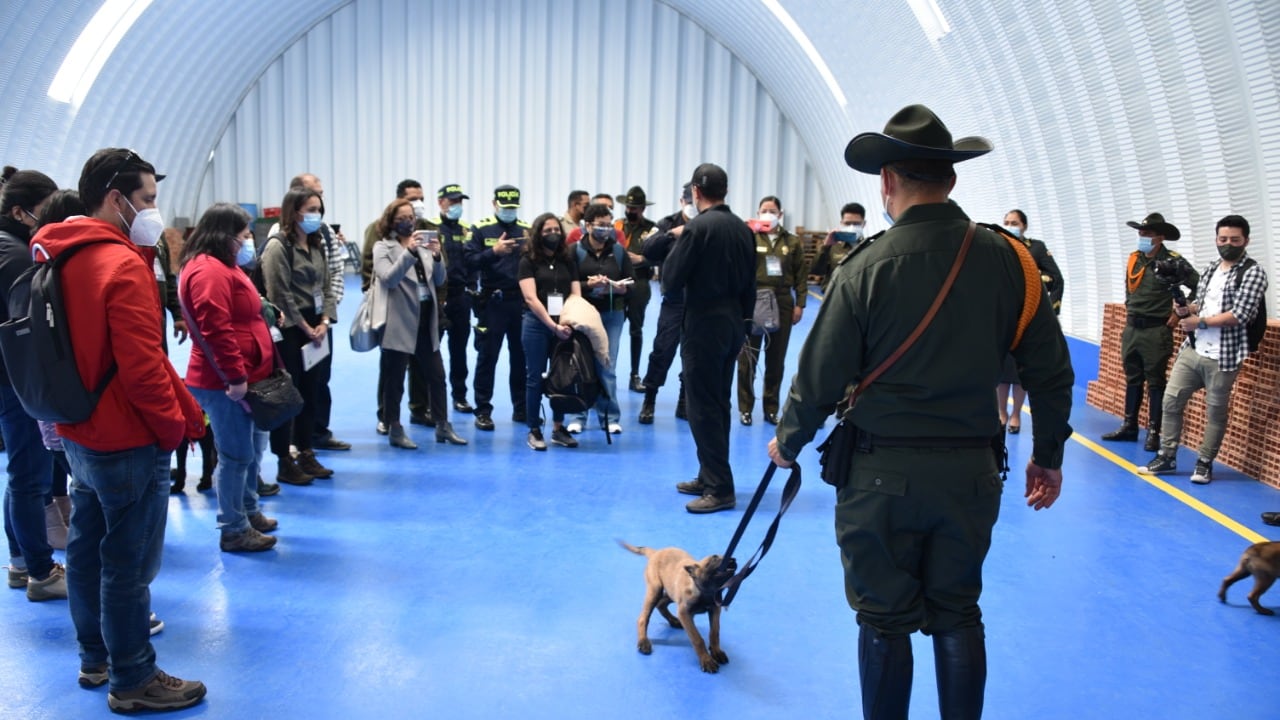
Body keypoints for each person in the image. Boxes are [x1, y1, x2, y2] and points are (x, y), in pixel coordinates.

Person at [767, 105, 1074, 720]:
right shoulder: (1013, 262)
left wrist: (790, 440)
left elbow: (820, 374)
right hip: (972, 474)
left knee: (884, 618)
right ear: (952, 180)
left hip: (881, 477)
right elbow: (1051, 372)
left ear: (886, 182)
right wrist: (1048, 458)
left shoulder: (865, 267)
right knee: (958, 611)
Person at [34, 148, 207, 712]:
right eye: (148, 199)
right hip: (127, 438)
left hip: (78, 431)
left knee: (87, 550)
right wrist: (171, 430)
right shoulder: (123, 264)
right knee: (128, 566)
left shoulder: (57, 254)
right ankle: (133, 678)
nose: (154, 211)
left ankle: (95, 657)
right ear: (117, 199)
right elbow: (144, 366)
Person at [178, 203, 278, 553]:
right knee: (235, 455)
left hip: (240, 377)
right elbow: (216, 330)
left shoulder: (222, 266)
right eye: (244, 235)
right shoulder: (209, 272)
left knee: (248, 449)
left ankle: (248, 511)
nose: (247, 241)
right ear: (225, 235)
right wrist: (235, 377)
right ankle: (233, 528)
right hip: (222, 382)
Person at [1139, 215, 1267, 484]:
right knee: (1171, 401)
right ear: (1216, 239)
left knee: (1215, 412)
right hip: (1194, 349)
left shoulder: (1253, 272)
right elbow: (1202, 301)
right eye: (1223, 239)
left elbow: (1241, 314)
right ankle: (1167, 455)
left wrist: (1201, 321)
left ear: (1246, 241)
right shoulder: (1211, 268)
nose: (1227, 244)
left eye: (1234, 240)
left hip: (1225, 356)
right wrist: (1186, 308)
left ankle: (1204, 463)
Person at [662, 163, 755, 514]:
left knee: (701, 407)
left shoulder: (696, 228)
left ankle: (719, 488)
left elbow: (670, 280)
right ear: (725, 191)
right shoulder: (743, 229)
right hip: (733, 324)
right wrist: (744, 325)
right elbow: (751, 282)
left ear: (695, 193)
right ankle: (708, 474)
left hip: (703, 323)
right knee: (719, 403)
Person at [0, 168, 61, 600]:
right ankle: (41, 572)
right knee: (30, 475)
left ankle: (21, 561)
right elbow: (29, 327)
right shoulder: (17, 256)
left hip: (7, 378)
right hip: (15, 381)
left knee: (21, 471)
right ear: (21, 212)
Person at [371, 199, 466, 449]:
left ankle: (443, 425)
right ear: (391, 221)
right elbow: (389, 279)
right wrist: (409, 253)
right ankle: (394, 427)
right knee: (394, 378)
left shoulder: (424, 244)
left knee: (436, 374)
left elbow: (440, 278)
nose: (408, 221)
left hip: (427, 317)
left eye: (411, 217)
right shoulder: (383, 247)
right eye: (402, 217)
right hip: (399, 320)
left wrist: (436, 256)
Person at [1100, 213, 1199, 452]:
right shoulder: (1134, 259)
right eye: (1141, 234)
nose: (1142, 238)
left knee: (1155, 381)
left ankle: (1154, 431)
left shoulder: (1173, 261)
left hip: (1156, 329)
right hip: (1132, 327)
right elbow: (1129, 290)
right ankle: (1129, 425)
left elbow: (1199, 285)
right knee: (1132, 378)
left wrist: (1180, 313)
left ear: (1161, 237)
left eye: (1148, 234)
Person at [260, 187, 334, 484]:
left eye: (319, 210)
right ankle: (283, 459)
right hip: (291, 329)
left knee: (312, 393)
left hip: (317, 327)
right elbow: (280, 294)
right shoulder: (278, 247)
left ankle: (306, 450)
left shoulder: (316, 244)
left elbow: (326, 286)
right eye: (310, 209)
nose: (315, 215)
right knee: (289, 396)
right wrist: (306, 328)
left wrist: (325, 322)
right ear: (294, 212)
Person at [362, 180, 433, 433]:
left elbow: (433, 272)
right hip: (393, 305)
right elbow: (370, 267)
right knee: (393, 367)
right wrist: (376, 299)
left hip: (421, 307)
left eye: (421, 198)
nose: (419, 204)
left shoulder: (424, 230)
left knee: (421, 365)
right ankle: (386, 416)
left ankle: (418, 408)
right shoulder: (377, 231)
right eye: (414, 199)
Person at [287, 174, 351, 451]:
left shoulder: (323, 232)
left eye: (321, 197)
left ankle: (318, 433)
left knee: (319, 378)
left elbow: (335, 271)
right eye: (313, 197)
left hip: (321, 320)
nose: (319, 203)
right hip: (295, 323)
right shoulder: (282, 238)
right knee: (294, 380)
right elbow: (280, 288)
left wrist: (326, 314)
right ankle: (292, 439)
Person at [736, 195, 808, 426]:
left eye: (772, 210)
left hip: (783, 301)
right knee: (749, 356)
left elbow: (801, 275)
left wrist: (800, 304)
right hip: (755, 300)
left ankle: (770, 408)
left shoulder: (793, 242)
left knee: (776, 359)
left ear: (780, 214)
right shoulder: (749, 236)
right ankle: (745, 408)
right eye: (764, 210)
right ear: (758, 213)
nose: (768, 214)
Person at [464, 185, 530, 431]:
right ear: (494, 204)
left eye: (513, 208)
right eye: (505, 208)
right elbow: (469, 261)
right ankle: (483, 410)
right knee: (487, 356)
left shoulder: (526, 230)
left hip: (520, 302)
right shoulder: (480, 229)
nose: (509, 212)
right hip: (493, 301)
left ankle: (521, 407)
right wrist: (494, 252)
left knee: (520, 357)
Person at [997, 208, 1064, 433]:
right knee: (1000, 370)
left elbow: (1056, 278)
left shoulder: (1036, 248)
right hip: (1002, 317)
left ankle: (1016, 414)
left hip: (1025, 318)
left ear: (1024, 225)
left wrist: (1049, 313)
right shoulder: (995, 245)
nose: (1009, 225)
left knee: (1018, 372)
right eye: (1006, 221)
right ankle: (1001, 412)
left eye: (1014, 222)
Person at [518, 214, 581, 451]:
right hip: (536, 324)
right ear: (538, 234)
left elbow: (575, 294)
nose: (553, 233)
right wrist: (552, 326)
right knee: (535, 377)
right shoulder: (528, 260)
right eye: (547, 230)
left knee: (561, 377)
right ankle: (534, 429)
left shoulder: (567, 260)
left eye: (556, 229)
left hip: (563, 325)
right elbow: (530, 298)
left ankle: (558, 428)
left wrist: (568, 323)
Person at [569, 202, 632, 434]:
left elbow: (631, 281)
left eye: (609, 226)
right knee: (581, 364)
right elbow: (568, 283)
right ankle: (578, 415)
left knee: (607, 365)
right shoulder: (574, 251)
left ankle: (609, 416)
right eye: (600, 225)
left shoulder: (618, 251)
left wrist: (621, 288)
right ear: (588, 225)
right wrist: (589, 285)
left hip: (612, 313)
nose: (606, 230)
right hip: (583, 315)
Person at [638, 183, 694, 424]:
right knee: (663, 349)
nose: (693, 206)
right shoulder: (666, 223)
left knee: (692, 355)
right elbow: (648, 251)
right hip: (673, 301)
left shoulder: (710, 225)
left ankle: (684, 401)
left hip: (700, 303)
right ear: (682, 201)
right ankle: (650, 398)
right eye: (689, 201)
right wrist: (672, 234)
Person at [422, 183, 476, 413]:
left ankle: (460, 395)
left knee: (459, 349)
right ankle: (426, 400)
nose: (456, 206)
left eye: (459, 202)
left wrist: (472, 289)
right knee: (431, 349)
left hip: (461, 297)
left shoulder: (467, 230)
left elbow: (473, 263)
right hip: (437, 297)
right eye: (452, 201)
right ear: (440, 202)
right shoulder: (430, 229)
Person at [615, 186, 658, 394]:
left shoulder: (652, 229)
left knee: (636, 330)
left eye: (635, 207)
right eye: (628, 207)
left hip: (639, 282)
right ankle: (606, 374)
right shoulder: (616, 226)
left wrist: (642, 259)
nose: (630, 210)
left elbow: (661, 256)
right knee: (610, 328)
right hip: (617, 281)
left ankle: (634, 374)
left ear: (642, 208)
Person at [811, 202, 866, 291]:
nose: (852, 227)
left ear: (864, 224)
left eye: (856, 224)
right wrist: (826, 246)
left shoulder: (869, 247)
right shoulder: (833, 247)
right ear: (841, 223)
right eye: (847, 223)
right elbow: (816, 270)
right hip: (834, 298)